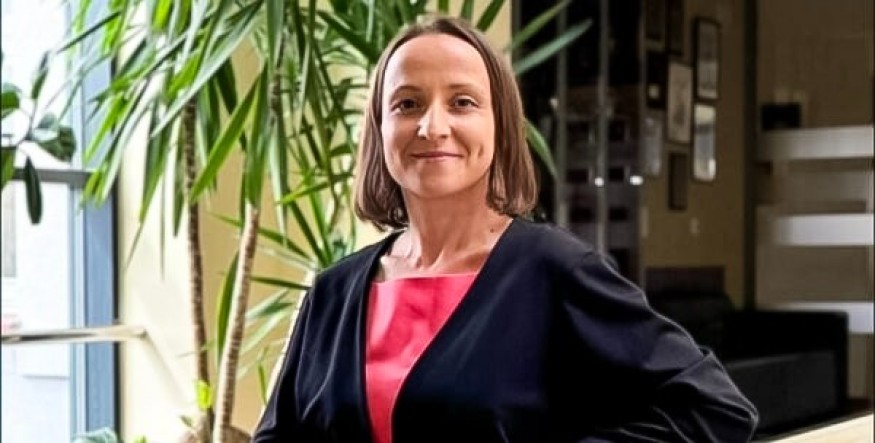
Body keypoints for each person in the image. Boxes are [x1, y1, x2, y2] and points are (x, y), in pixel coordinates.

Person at [253, 16, 758, 443]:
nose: (432, 126)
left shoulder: (552, 270)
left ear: (500, 127)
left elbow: (715, 407)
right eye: (407, 104)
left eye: (462, 102)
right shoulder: (332, 293)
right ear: (380, 130)